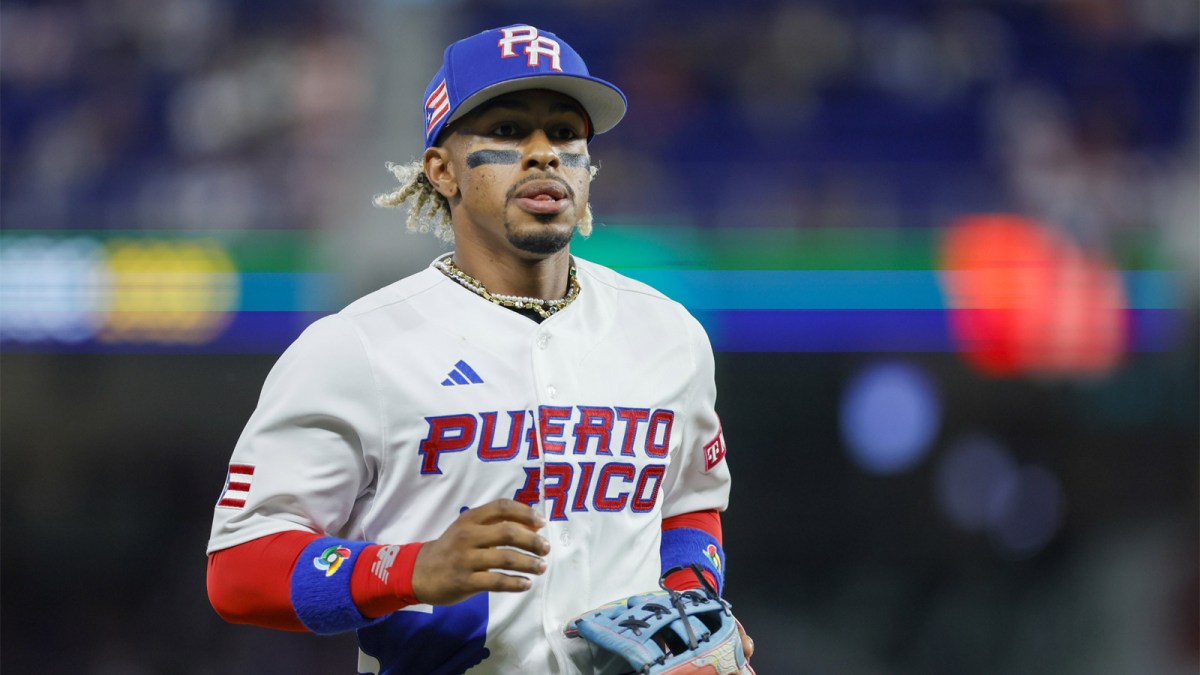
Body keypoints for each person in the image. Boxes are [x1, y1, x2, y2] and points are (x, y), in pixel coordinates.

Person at [206, 24, 753, 674]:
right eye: (508, 131)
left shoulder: (668, 335)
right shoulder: (354, 348)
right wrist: (411, 567)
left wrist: (691, 608)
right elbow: (240, 568)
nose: (544, 154)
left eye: (565, 133)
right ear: (442, 170)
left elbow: (690, 501)